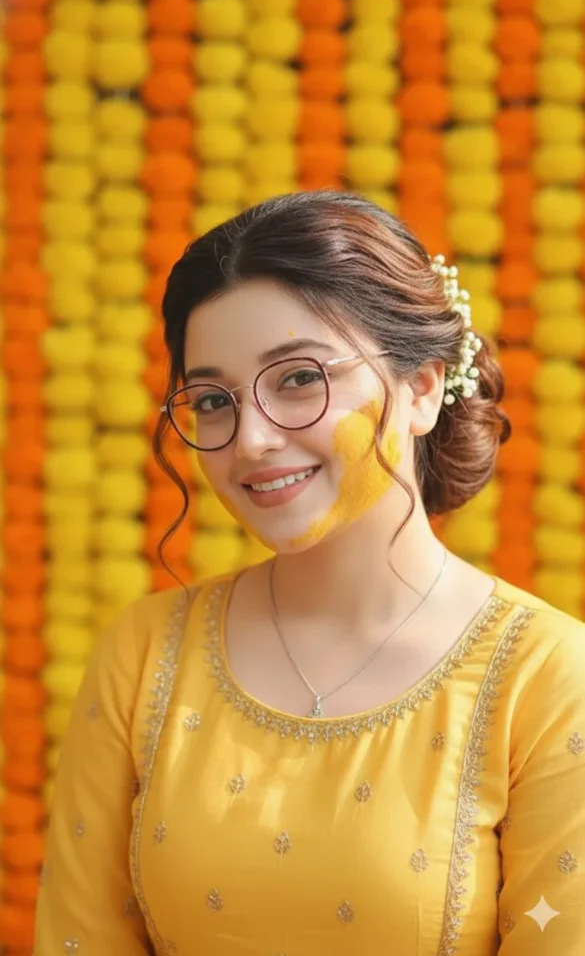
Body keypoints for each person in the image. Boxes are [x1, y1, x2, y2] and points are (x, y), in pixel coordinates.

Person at [35, 191, 585, 955]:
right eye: (214, 400)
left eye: (297, 378)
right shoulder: (144, 655)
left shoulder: (546, 677)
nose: (250, 439)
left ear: (422, 387)